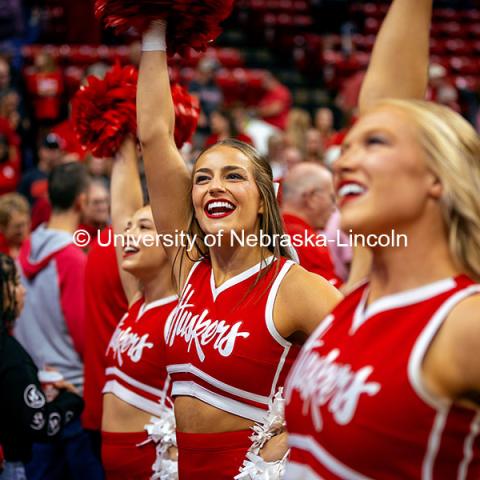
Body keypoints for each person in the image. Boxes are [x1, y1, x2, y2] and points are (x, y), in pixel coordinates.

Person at [137, 20, 342, 479]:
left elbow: (370, 362)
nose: (214, 186)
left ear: (263, 199)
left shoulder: (291, 287)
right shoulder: (188, 266)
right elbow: (154, 136)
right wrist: (152, 30)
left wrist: (296, 431)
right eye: (203, 177)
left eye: (233, 176)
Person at [284, 0, 480, 478]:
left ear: (437, 177)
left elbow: (390, 104)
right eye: (345, 148)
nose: (344, 161)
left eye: (373, 144)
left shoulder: (462, 324)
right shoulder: (360, 295)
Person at [14, 162, 103, 480]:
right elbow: (84, 336)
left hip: (35, 392)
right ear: (81, 201)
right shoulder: (72, 259)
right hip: (72, 396)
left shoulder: (24, 249)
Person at [101, 138, 178, 479]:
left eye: (145, 228)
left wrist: (151, 137)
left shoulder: (182, 311)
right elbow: (120, 211)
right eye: (130, 228)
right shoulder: (138, 300)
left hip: (154, 468)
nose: (129, 234)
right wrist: (123, 142)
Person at [0, 253, 84, 480]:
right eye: (15, 283)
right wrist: (72, 399)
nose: (23, 291)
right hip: (8, 463)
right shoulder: (11, 356)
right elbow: (41, 425)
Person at [281, 163, 341, 287]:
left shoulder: (264, 231)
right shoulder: (307, 242)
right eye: (332, 198)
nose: (334, 208)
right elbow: (334, 299)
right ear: (312, 198)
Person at [0, 193, 30, 259]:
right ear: (2, 227)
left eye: (25, 224)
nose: (22, 230)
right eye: (17, 226)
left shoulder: (34, 246)